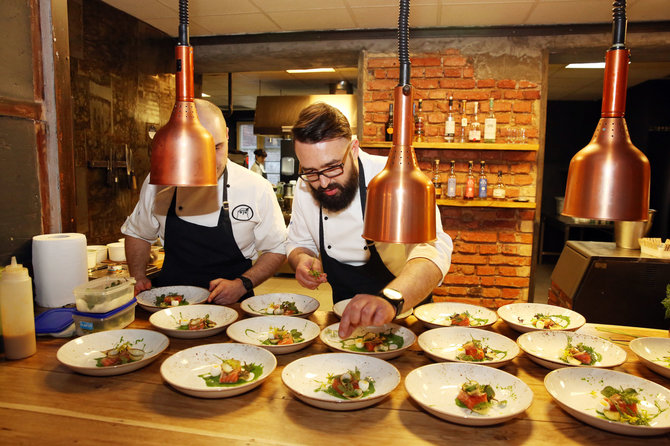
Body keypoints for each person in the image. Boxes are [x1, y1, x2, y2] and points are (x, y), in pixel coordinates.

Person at [288, 102, 453, 337]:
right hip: (346, 321)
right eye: (311, 171)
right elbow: (298, 243)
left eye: (333, 167)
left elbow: (432, 251)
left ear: (354, 149)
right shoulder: (304, 187)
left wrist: (391, 299)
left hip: (407, 316)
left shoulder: (393, 179)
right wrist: (302, 259)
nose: (323, 183)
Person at [122, 99, 287, 305]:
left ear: (227, 134)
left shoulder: (255, 187)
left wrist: (242, 283)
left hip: (232, 307)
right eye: (198, 150)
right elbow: (138, 232)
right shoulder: (159, 182)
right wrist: (138, 277)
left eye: (217, 147)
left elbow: (277, 248)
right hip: (170, 305)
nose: (210, 161)